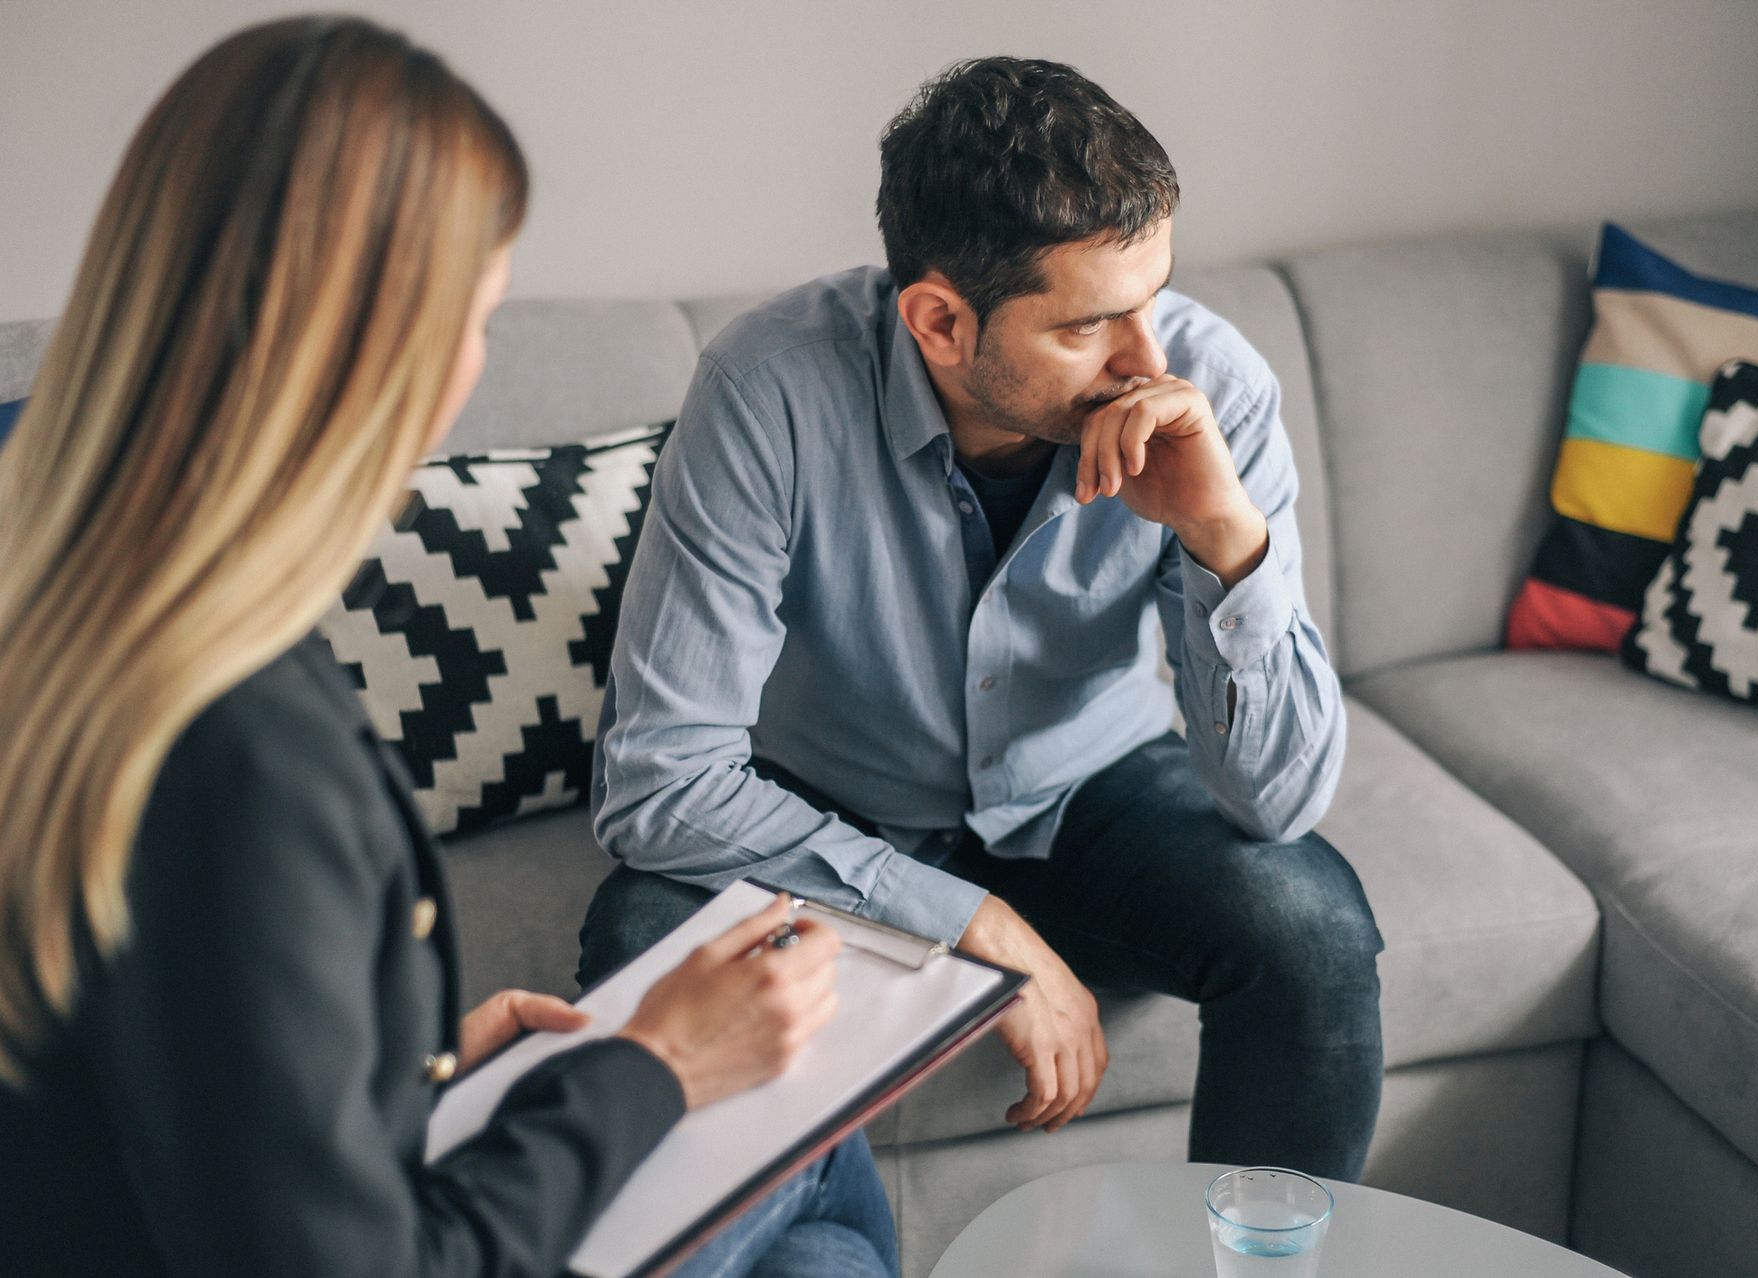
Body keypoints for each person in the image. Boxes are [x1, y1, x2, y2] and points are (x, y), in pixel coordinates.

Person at [0, 18, 895, 1278]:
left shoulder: (73, 613)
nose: (474, 366)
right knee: (813, 1163)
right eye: (481, 314)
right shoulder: (240, 742)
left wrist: (398, 1085)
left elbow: (178, 1098)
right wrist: (656, 1067)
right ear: (371, 341)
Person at [582, 57, 1384, 1178]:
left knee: (1312, 928)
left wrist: (1224, 540)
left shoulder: (1210, 389)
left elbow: (1282, 796)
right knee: (641, 943)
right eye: (1092, 324)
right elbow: (659, 782)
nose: (1146, 361)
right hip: (834, 803)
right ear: (940, 320)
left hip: (1084, 790)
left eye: (1152, 300)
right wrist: (970, 923)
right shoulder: (770, 392)